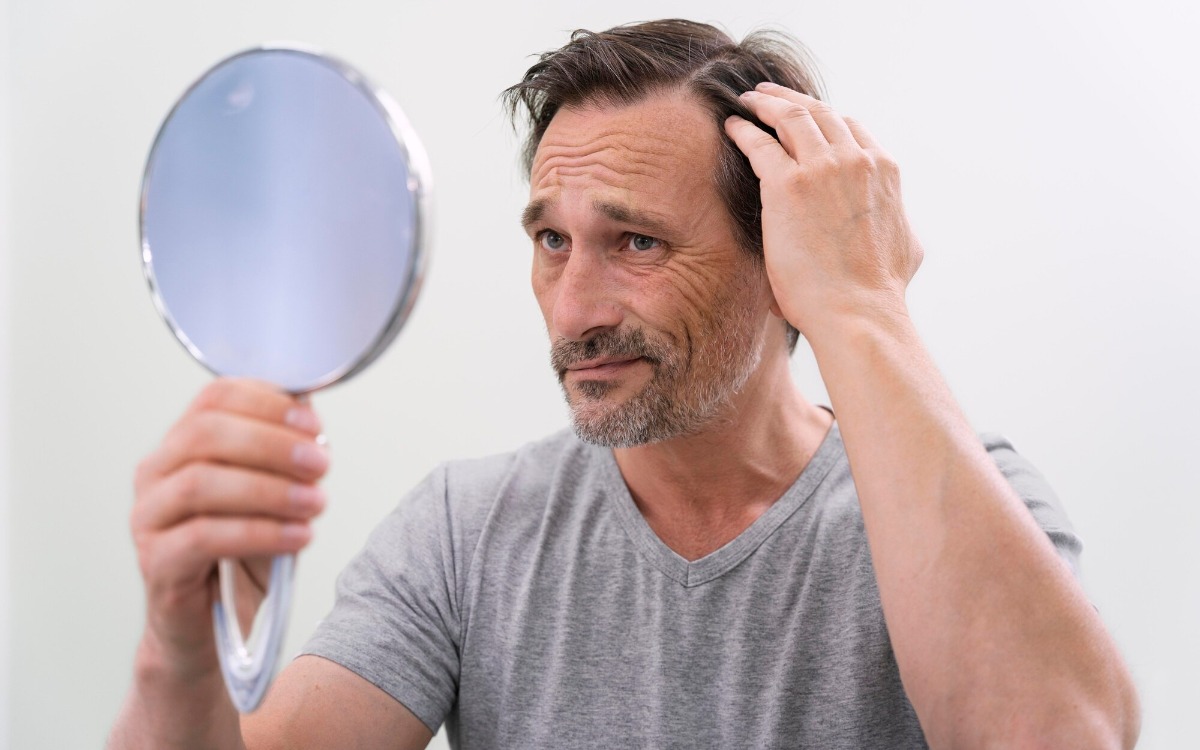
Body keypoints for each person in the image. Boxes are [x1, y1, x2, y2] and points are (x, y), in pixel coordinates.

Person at [108, 19, 1140, 750]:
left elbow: (1052, 736)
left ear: (782, 255)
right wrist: (178, 653)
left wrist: (862, 303)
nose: (572, 311)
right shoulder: (470, 532)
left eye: (635, 241)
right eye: (552, 240)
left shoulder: (958, 503)